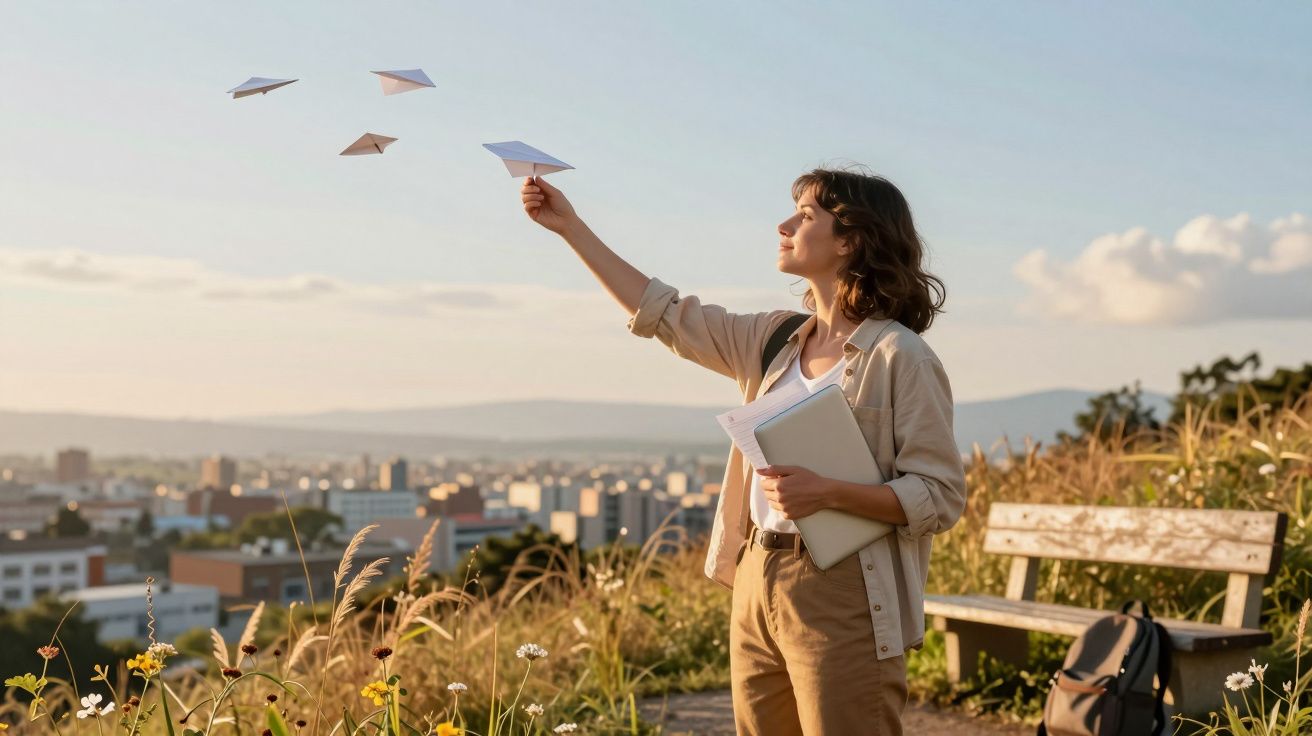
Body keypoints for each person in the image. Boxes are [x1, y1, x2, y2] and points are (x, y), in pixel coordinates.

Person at [517, 167, 967, 735]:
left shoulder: (901, 356)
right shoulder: (774, 339)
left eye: (805, 216)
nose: (784, 225)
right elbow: (663, 312)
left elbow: (939, 495)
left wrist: (828, 493)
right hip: (756, 573)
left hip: (844, 585)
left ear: (850, 240)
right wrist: (570, 227)